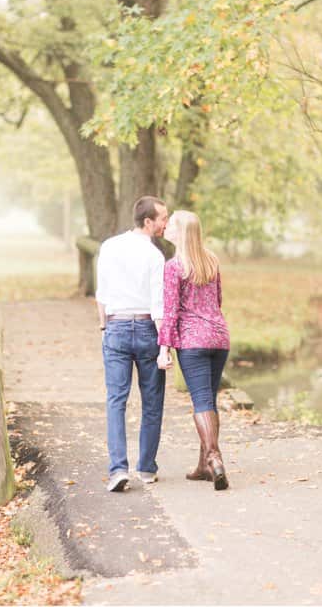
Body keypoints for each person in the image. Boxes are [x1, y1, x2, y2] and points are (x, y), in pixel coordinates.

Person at [96, 196, 170, 492]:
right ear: (148, 222)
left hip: (115, 325)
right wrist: (164, 344)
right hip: (147, 330)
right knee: (152, 401)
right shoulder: (155, 257)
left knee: (116, 400)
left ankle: (118, 469)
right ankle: (147, 468)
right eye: (163, 217)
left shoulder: (110, 246)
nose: (167, 222)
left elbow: (101, 293)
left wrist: (104, 327)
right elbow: (158, 306)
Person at [158, 210, 231, 491]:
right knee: (209, 401)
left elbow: (171, 311)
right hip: (219, 338)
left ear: (181, 232)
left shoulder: (174, 266)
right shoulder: (211, 261)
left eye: (171, 224)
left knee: (201, 401)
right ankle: (203, 466)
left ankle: (214, 457)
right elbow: (219, 299)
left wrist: (164, 348)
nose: (166, 228)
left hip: (192, 341)